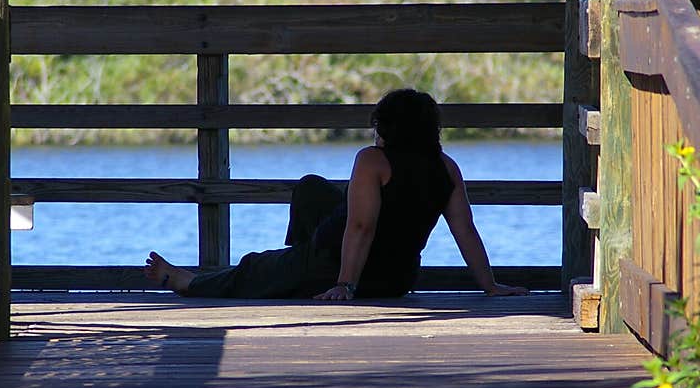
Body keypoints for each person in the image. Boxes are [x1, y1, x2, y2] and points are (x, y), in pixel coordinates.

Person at [144, 88, 529, 301]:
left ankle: (185, 281)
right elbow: (466, 230)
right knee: (311, 188)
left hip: (344, 270)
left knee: (253, 268)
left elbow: (361, 227)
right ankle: (294, 270)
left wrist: (345, 285)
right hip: (396, 278)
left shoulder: (373, 161)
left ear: (389, 128)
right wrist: (490, 284)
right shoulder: (446, 166)